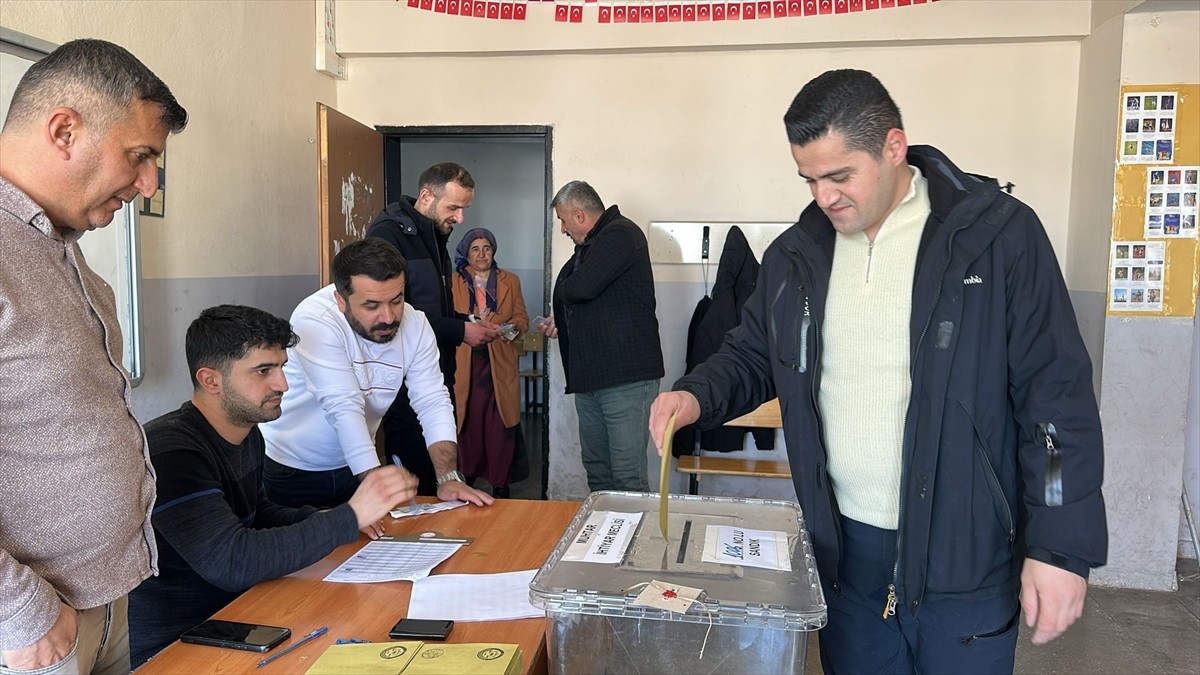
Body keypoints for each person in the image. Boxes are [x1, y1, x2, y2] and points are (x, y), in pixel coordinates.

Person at [648, 69, 1107, 674]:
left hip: (966, 556)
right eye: (809, 179)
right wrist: (695, 396)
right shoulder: (795, 257)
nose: (824, 197)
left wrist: (1058, 546)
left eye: (840, 176)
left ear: (894, 147)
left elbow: (1055, 400)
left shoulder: (997, 239)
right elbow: (755, 354)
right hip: (846, 557)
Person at [0, 39, 187, 674]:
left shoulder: (61, 247)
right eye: (140, 157)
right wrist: (17, 609)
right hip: (30, 627)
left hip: (106, 601)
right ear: (63, 130)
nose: (149, 183)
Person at [127, 305, 418, 667]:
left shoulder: (248, 432)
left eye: (281, 367)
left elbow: (256, 513)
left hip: (235, 615)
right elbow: (234, 560)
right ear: (210, 380)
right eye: (263, 371)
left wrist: (331, 518)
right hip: (173, 645)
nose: (282, 384)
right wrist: (347, 517)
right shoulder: (172, 451)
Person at [260, 237, 492, 509]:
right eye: (371, 306)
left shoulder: (414, 323)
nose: (389, 317)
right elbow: (343, 405)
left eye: (396, 300)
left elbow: (432, 400)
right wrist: (377, 483)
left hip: (355, 465)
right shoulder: (314, 321)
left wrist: (448, 477)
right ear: (341, 300)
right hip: (293, 470)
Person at [367, 163, 503, 495]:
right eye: (453, 207)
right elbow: (395, 315)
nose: (460, 219)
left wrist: (465, 320)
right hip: (403, 380)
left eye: (463, 209)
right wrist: (460, 332)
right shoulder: (387, 235)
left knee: (441, 465)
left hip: (437, 371)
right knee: (420, 475)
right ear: (427, 195)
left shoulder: (432, 234)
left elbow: (430, 308)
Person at [539, 181, 664, 492]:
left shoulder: (620, 234)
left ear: (579, 215)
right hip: (593, 380)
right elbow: (598, 299)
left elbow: (581, 288)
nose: (564, 230)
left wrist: (564, 297)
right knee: (597, 472)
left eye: (563, 221)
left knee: (627, 477)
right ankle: (605, 539)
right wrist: (564, 320)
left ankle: (633, 541)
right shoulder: (592, 247)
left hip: (625, 381)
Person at [451, 228, 530, 498]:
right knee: (469, 423)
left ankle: (500, 483)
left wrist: (506, 328)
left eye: (487, 248)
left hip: (499, 361)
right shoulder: (454, 282)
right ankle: (468, 480)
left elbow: (522, 320)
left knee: (500, 426)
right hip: (467, 363)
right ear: (466, 253)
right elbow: (449, 320)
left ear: (493, 251)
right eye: (475, 249)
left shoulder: (511, 281)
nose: (482, 254)